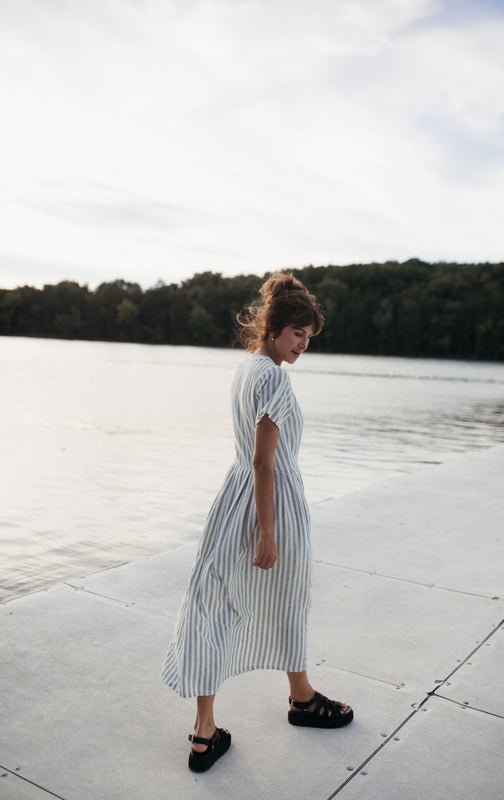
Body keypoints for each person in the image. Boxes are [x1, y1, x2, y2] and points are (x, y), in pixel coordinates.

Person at [161, 273, 353, 773]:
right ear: (273, 328)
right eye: (297, 334)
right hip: (272, 502)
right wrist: (268, 531)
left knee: (211, 602)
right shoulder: (275, 379)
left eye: (309, 337)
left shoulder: (246, 370)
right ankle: (302, 698)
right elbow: (264, 462)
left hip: (234, 500)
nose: (303, 345)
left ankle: (207, 729)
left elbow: (252, 459)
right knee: (287, 597)